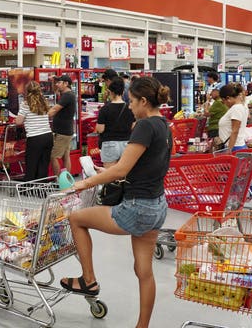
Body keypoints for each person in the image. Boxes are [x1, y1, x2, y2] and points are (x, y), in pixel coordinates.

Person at [63, 77, 172, 328]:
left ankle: (88, 279)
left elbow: (121, 170)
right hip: (157, 206)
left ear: (144, 101)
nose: (130, 106)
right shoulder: (163, 125)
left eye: (132, 102)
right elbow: (149, 164)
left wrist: (83, 184)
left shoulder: (144, 126)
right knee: (143, 271)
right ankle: (142, 326)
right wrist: (103, 171)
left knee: (76, 219)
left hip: (137, 207)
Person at [15, 81, 53, 181]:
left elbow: (19, 121)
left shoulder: (26, 104)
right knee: (43, 164)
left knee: (32, 164)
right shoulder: (44, 102)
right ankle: (42, 190)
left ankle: (29, 188)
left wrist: (16, 118)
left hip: (35, 138)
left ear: (27, 91)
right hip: (48, 136)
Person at [96, 76, 135, 168]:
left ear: (110, 92)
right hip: (127, 144)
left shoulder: (105, 109)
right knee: (124, 173)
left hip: (109, 144)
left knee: (109, 175)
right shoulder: (130, 108)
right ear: (123, 92)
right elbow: (133, 126)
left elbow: (100, 129)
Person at [48, 74, 76, 176]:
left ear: (66, 84)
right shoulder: (67, 94)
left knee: (54, 156)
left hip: (62, 133)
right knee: (65, 156)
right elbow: (55, 90)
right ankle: (67, 179)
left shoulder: (68, 96)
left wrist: (44, 116)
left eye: (59, 83)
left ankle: (58, 180)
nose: (57, 84)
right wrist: (53, 80)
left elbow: (55, 109)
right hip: (66, 131)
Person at [218, 83, 249, 152]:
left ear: (228, 98)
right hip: (234, 146)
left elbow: (235, 131)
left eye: (223, 101)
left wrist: (229, 150)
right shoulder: (239, 107)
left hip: (234, 147)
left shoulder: (236, 109)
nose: (225, 104)